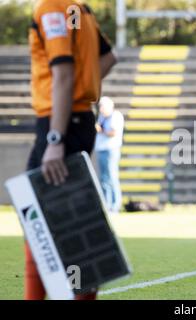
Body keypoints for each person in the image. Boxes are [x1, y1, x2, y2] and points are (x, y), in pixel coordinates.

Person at [25, 0, 117, 300]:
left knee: (37, 214)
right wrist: (81, 90)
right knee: (72, 219)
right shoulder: (81, 9)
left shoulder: (52, 6)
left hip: (60, 121)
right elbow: (108, 59)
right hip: (78, 119)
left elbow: (63, 73)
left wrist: (55, 139)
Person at [94, 96, 124, 213]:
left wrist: (100, 130)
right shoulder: (102, 117)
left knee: (111, 177)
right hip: (101, 149)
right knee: (104, 179)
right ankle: (107, 204)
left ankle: (115, 205)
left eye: (102, 106)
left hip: (110, 149)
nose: (101, 109)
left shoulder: (116, 116)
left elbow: (113, 132)